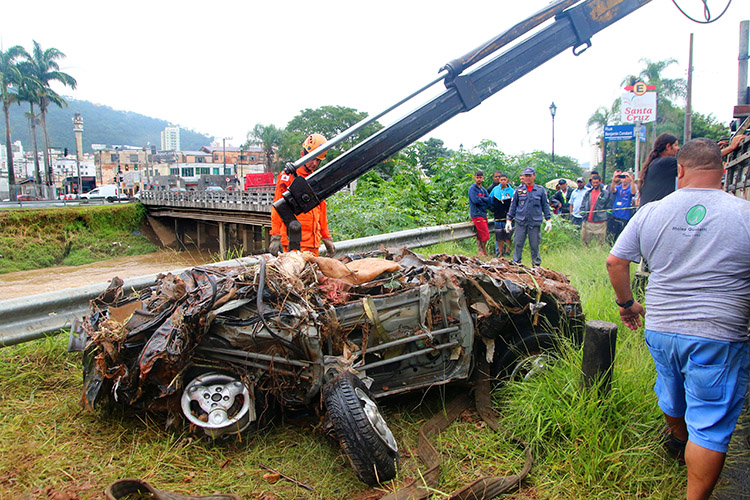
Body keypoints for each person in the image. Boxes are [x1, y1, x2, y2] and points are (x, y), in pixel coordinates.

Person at [606, 138, 750, 500]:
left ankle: (679, 439)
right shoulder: (744, 213)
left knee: (671, 394)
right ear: (722, 170)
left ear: (680, 170)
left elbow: (615, 261)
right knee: (710, 424)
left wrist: (627, 304)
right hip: (719, 332)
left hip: (662, 327)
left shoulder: (652, 211)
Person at [269, 133, 335, 256]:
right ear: (302, 154)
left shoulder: (315, 179)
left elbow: (321, 210)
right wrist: (275, 236)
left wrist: (326, 237)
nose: (314, 163)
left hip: (313, 243)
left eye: (318, 160)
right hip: (293, 243)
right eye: (312, 158)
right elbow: (278, 207)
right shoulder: (288, 177)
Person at [506, 167, 552, 266]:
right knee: (518, 243)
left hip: (534, 222)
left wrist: (548, 220)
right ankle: (516, 263)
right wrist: (509, 220)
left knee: (534, 245)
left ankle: (536, 265)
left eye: (529, 176)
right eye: (525, 176)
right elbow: (513, 205)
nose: (527, 178)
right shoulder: (519, 190)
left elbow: (545, 206)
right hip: (521, 222)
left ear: (534, 176)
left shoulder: (540, 190)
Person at [638, 133, 679, 206]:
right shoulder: (668, 162)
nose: (678, 148)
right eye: (675, 145)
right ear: (668, 146)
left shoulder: (654, 163)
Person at [580, 174, 611, 246]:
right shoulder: (588, 193)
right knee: (585, 243)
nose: (595, 184)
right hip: (588, 222)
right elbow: (583, 204)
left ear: (600, 182)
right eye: (594, 183)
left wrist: (605, 216)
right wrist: (583, 213)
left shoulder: (605, 193)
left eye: (597, 182)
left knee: (600, 244)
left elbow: (609, 207)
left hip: (600, 223)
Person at [489, 173, 514, 257]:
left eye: (504, 180)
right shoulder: (495, 190)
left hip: (508, 218)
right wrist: (493, 208)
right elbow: (490, 200)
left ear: (507, 180)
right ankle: (499, 253)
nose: (503, 181)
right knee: (499, 236)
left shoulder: (512, 191)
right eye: (501, 180)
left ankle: (507, 252)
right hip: (498, 217)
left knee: (508, 236)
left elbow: (515, 203)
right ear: (499, 180)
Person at [608, 170, 636, 242]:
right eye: (623, 177)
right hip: (615, 214)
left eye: (626, 177)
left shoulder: (630, 188)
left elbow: (633, 192)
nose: (624, 179)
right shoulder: (619, 187)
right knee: (612, 235)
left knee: (621, 236)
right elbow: (612, 190)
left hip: (625, 215)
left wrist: (631, 180)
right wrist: (614, 180)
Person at [469, 170, 491, 257]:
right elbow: (475, 201)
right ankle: (483, 251)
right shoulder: (472, 189)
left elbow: (489, 200)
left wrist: (482, 199)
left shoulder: (483, 189)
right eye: (477, 177)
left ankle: (480, 252)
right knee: (485, 234)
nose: (479, 179)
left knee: (481, 234)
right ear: (475, 178)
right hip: (476, 214)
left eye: (480, 177)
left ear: (483, 178)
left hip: (483, 213)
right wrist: (483, 199)